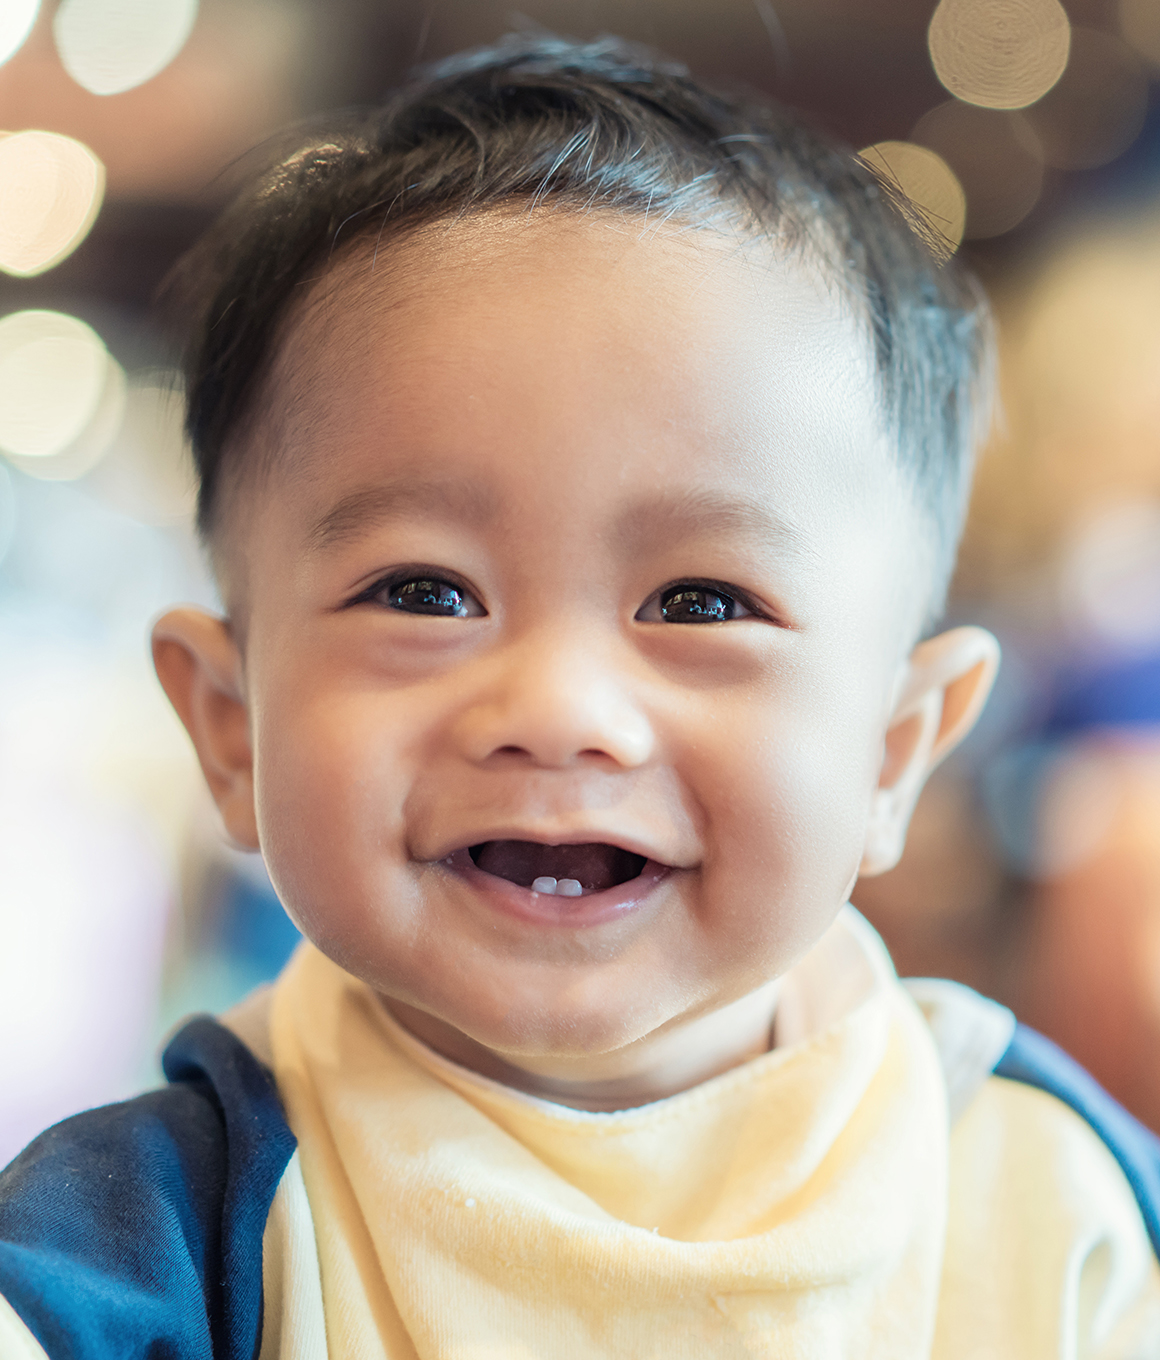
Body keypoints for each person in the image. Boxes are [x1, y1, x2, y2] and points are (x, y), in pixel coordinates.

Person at [2, 34, 1158, 1359]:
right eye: (426, 593)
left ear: (894, 753)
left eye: (703, 603)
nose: (558, 707)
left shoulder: (1047, 1194)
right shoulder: (167, 1233)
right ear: (229, 723)